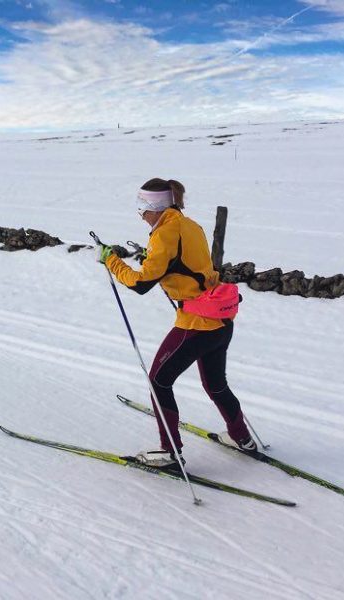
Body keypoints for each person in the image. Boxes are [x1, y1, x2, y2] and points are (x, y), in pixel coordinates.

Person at [97, 177, 256, 467]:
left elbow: (141, 284)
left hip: (195, 324)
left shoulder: (165, 233)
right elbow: (185, 264)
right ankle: (242, 437)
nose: (140, 215)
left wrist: (112, 262)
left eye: (142, 207)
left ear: (155, 207)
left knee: (158, 381)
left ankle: (170, 452)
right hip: (220, 321)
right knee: (217, 385)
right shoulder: (189, 224)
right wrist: (156, 260)